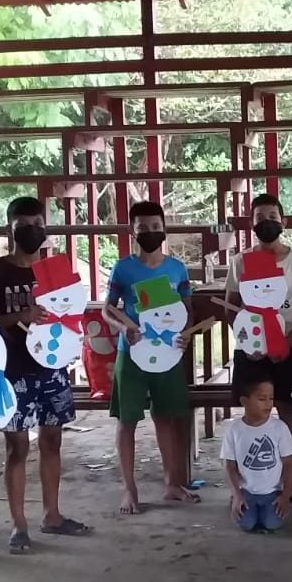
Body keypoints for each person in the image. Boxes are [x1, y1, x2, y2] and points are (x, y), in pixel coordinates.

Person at [0, 196, 88, 554]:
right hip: (14, 369)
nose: (32, 230)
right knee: (17, 446)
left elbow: (72, 314)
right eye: (23, 225)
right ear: (8, 228)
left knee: (52, 441)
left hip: (53, 368)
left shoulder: (56, 268)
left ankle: (52, 515)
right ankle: (18, 524)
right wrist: (22, 315)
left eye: (38, 224)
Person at [104, 200, 194, 512]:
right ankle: (129, 488)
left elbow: (186, 310)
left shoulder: (177, 269)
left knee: (166, 417)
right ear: (133, 232)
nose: (150, 233)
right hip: (131, 354)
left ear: (164, 229)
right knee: (127, 420)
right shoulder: (123, 268)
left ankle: (171, 483)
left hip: (167, 354)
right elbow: (108, 308)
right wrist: (122, 328)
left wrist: (186, 334)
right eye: (143, 229)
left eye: (156, 227)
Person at [225, 193, 292, 492]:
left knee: (286, 407)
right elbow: (230, 306)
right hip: (251, 351)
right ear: (251, 225)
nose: (267, 223)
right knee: (252, 409)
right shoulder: (241, 261)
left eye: (272, 218)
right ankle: (251, 478)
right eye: (260, 219)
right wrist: (249, 342)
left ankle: (290, 476)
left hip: (290, 348)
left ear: (284, 222)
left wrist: (286, 343)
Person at [221, 375, 292, 533]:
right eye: (262, 399)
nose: (269, 404)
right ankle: (240, 502)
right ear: (244, 401)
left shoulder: (279, 427)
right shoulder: (234, 429)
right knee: (245, 523)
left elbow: (290, 462)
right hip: (247, 491)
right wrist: (236, 494)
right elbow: (229, 465)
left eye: (271, 398)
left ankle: (264, 510)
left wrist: (285, 496)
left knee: (273, 523)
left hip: (272, 492)